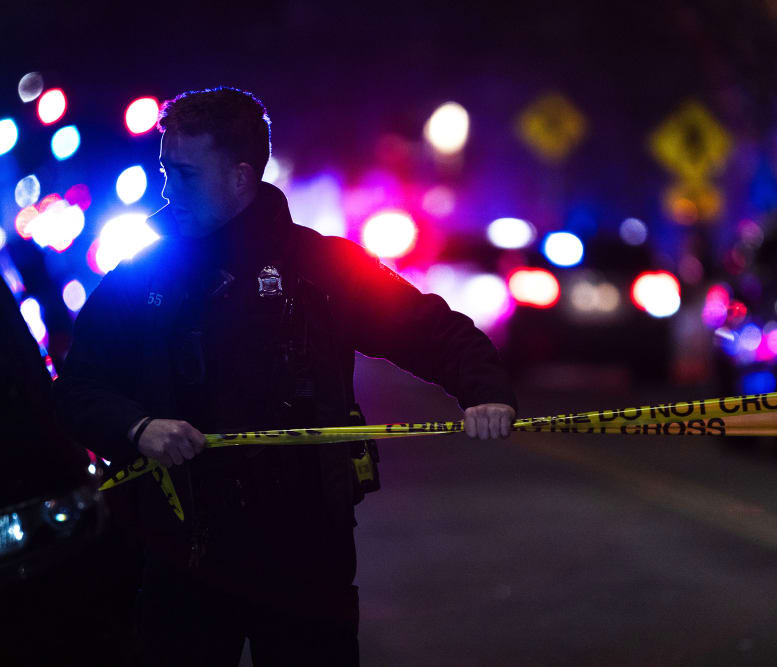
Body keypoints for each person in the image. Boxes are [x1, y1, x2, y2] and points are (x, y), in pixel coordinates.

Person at [54, 86, 517, 666]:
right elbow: (77, 389)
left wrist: (485, 393)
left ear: (240, 178)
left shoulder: (321, 268)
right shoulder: (141, 275)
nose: (168, 190)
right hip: (181, 554)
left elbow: (433, 330)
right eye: (166, 171)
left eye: (186, 174)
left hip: (306, 558)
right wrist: (139, 427)